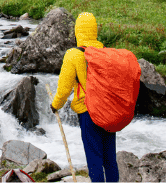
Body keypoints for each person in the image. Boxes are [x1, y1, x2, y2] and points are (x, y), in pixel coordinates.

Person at [50, 12, 119, 183]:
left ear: (78, 31)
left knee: (94, 158)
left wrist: (55, 105)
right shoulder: (106, 52)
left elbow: (64, 88)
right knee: (110, 158)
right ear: (94, 30)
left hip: (89, 112)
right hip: (108, 111)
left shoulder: (73, 55)